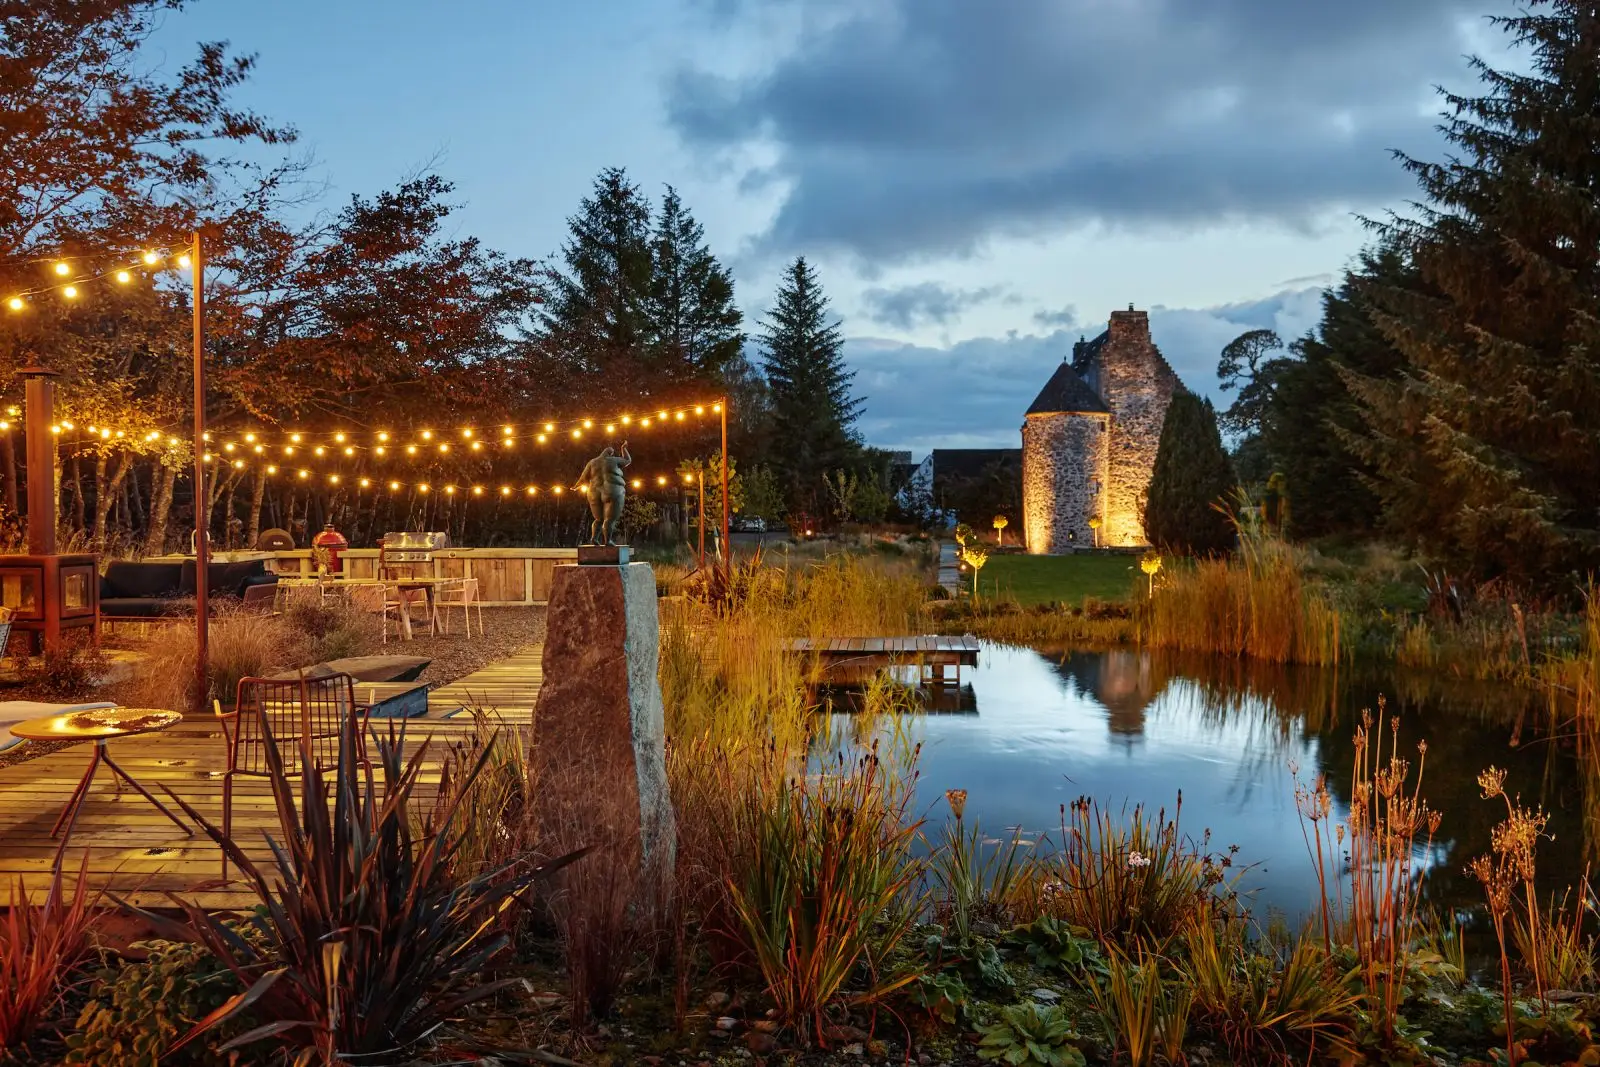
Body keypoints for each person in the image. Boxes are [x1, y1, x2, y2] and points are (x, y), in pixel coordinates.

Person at [573, 442, 631, 546]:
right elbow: (627, 460)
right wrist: (623, 449)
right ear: (611, 453)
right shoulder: (614, 460)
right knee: (609, 519)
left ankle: (594, 539)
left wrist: (575, 486)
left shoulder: (592, 462)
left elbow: (583, 477)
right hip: (613, 490)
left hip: (593, 492)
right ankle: (607, 541)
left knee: (598, 519)